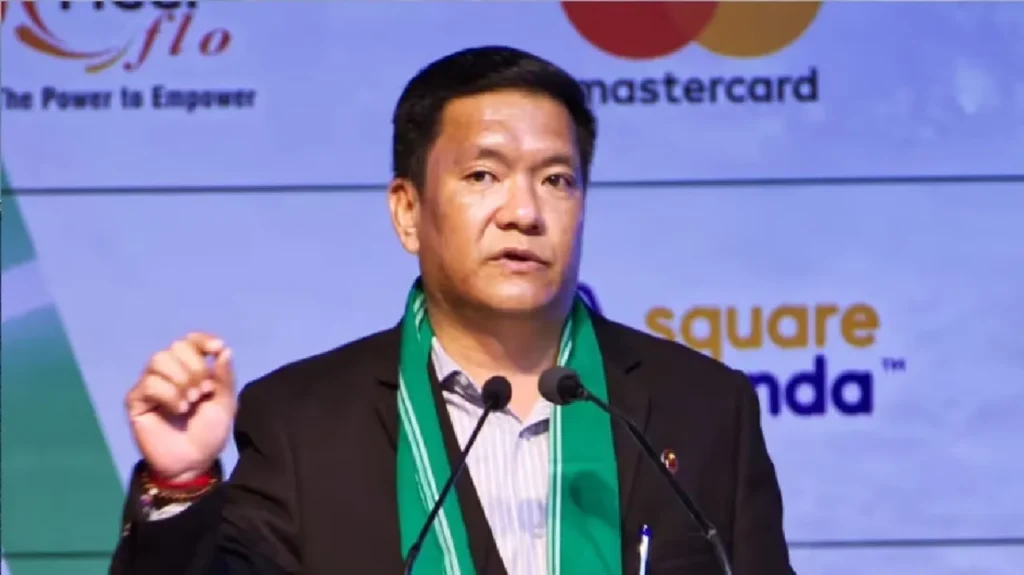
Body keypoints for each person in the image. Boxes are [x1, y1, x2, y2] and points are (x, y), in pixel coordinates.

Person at [110, 45, 793, 575]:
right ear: (408, 212)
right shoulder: (302, 423)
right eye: (483, 175)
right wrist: (181, 483)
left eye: (556, 179)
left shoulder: (704, 409)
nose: (524, 212)